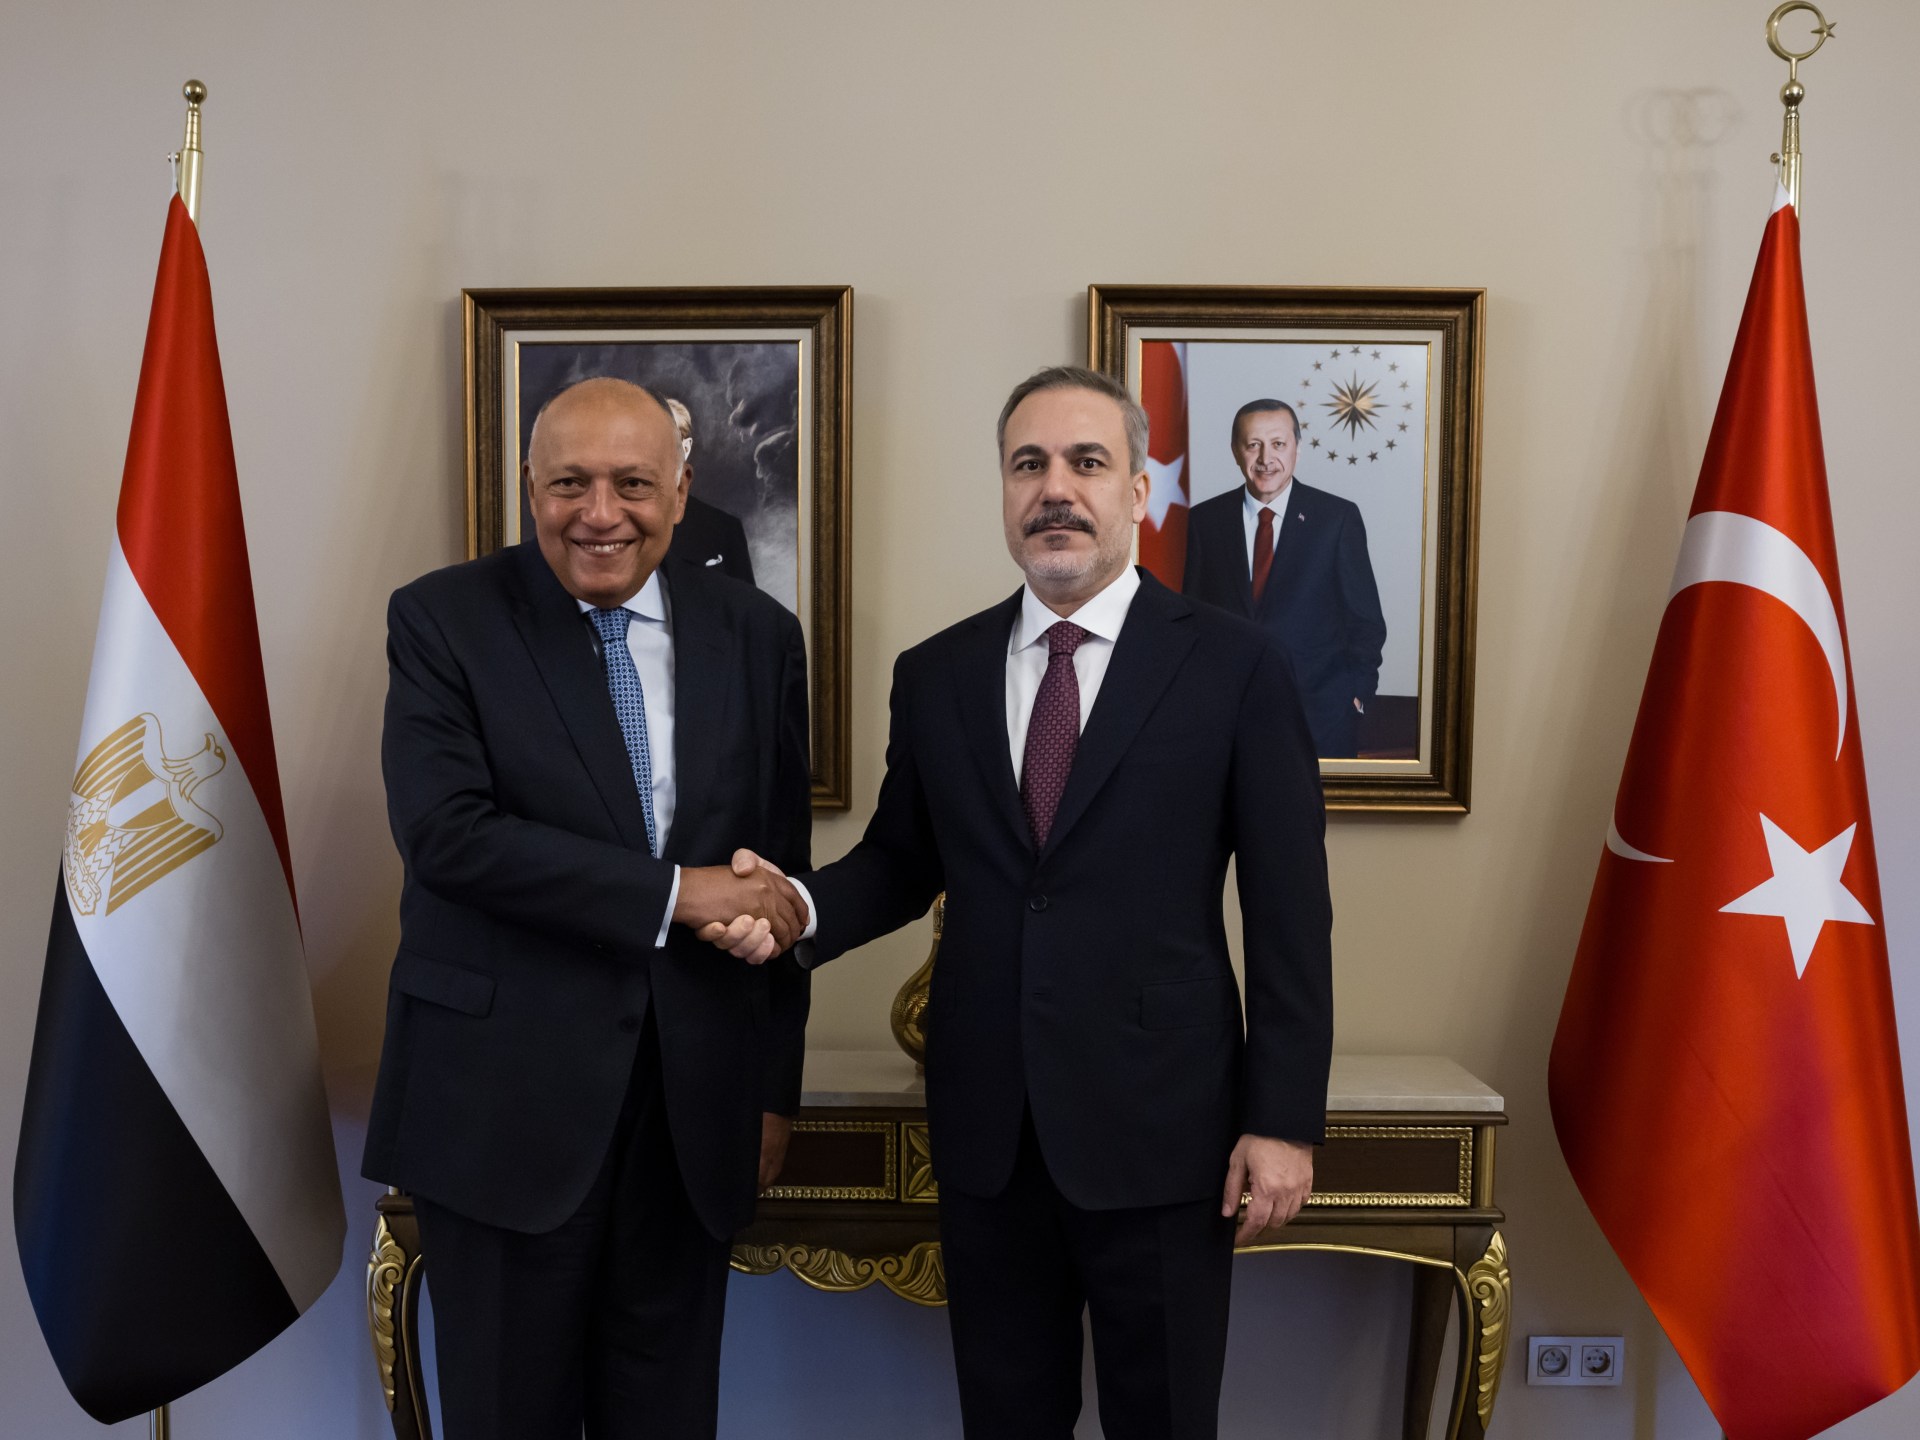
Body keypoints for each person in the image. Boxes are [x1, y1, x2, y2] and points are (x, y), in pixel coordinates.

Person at [709, 366, 1333, 1440]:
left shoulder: (1237, 667)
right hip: (989, 1135)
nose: (1056, 488)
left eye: (1087, 462)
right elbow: (901, 860)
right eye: (1028, 464)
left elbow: (1290, 916)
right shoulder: (938, 673)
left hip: (1165, 1134)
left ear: (1137, 490)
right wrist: (795, 907)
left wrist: (1280, 1123)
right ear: (1003, 489)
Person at [362, 376, 813, 1440]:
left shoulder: (757, 633)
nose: (599, 513)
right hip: (500, 1108)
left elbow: (779, 870)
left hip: (690, 1114)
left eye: (632, 485)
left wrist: (770, 1090)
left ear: (683, 491)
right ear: (532, 488)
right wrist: (680, 893)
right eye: (570, 483)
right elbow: (449, 836)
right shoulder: (443, 618)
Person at [1180, 398, 1387, 758]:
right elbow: (1192, 621)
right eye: (1253, 445)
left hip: (1321, 720)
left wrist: (1356, 696)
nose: (1266, 458)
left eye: (1278, 444)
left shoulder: (1336, 519)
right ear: (1236, 451)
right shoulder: (1204, 521)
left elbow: (1365, 622)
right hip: (1226, 720)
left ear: (1297, 449)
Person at [661, 395, 757, 586]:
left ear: (685, 448)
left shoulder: (723, 529)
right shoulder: (612, 520)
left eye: (665, 440)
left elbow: (744, 601)